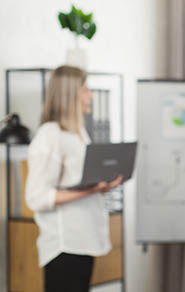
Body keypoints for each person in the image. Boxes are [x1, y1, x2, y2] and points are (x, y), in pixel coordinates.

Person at [26, 65, 122, 292]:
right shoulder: (50, 135)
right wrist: (89, 190)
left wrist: (102, 186)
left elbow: (76, 180)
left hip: (84, 241)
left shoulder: (77, 133)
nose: (91, 95)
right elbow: (36, 197)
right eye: (86, 90)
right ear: (71, 94)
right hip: (64, 246)